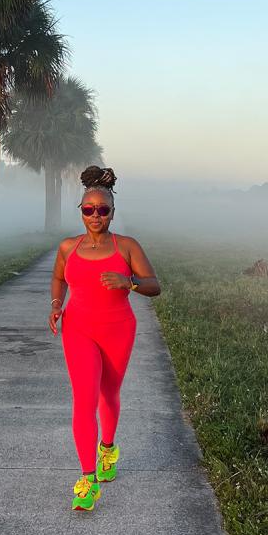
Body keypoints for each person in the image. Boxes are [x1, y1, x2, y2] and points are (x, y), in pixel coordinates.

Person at [48, 165, 161, 511]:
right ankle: (88, 479)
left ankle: (108, 449)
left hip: (117, 329)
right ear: (81, 212)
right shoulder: (68, 246)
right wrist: (56, 305)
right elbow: (58, 278)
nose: (95, 215)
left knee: (107, 394)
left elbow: (154, 285)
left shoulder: (127, 247)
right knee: (84, 398)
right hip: (78, 329)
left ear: (112, 213)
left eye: (102, 210)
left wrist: (129, 283)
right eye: (88, 209)